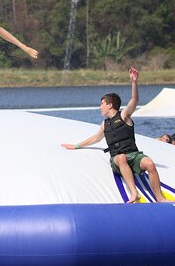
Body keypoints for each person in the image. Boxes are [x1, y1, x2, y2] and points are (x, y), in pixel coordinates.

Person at [61, 67, 167, 203]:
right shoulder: (105, 124)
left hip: (133, 155)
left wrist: (134, 82)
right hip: (117, 158)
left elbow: (134, 100)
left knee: (150, 163)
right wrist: (76, 146)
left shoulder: (124, 116)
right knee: (122, 157)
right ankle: (134, 193)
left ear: (110, 105)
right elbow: (96, 138)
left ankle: (160, 198)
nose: (100, 107)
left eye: (102, 104)